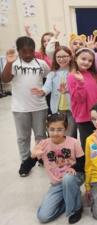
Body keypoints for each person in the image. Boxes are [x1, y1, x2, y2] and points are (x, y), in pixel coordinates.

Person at [1, 36, 50, 177]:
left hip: (39, 107)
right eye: (24, 52)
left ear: (34, 50)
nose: (28, 55)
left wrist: (44, 91)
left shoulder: (41, 64)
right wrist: (9, 63)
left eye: (31, 51)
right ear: (18, 51)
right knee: (23, 137)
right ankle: (25, 162)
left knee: (41, 135)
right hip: (20, 108)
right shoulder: (14, 63)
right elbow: (4, 79)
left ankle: (41, 157)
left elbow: (49, 78)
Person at [32, 113, 84, 224]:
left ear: (66, 129)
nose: (55, 133)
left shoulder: (74, 142)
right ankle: (69, 199)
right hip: (57, 184)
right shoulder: (43, 144)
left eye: (60, 129)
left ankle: (77, 208)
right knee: (43, 217)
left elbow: (82, 163)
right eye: (52, 129)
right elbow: (27, 165)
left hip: (74, 177)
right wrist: (32, 156)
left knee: (68, 178)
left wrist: (73, 167)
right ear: (47, 129)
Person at [31, 46, 77, 137]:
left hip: (73, 108)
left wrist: (68, 91)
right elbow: (47, 87)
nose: (61, 59)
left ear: (70, 57)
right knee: (60, 133)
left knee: (71, 134)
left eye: (64, 56)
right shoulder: (52, 74)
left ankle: (72, 150)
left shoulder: (75, 73)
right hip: (58, 109)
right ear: (55, 59)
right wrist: (42, 91)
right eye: (58, 57)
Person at [67, 48, 97, 149]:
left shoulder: (92, 74)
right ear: (75, 58)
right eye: (83, 59)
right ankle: (88, 164)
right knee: (88, 144)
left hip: (96, 115)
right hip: (84, 116)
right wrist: (81, 83)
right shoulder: (72, 76)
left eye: (90, 60)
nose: (87, 62)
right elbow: (78, 99)